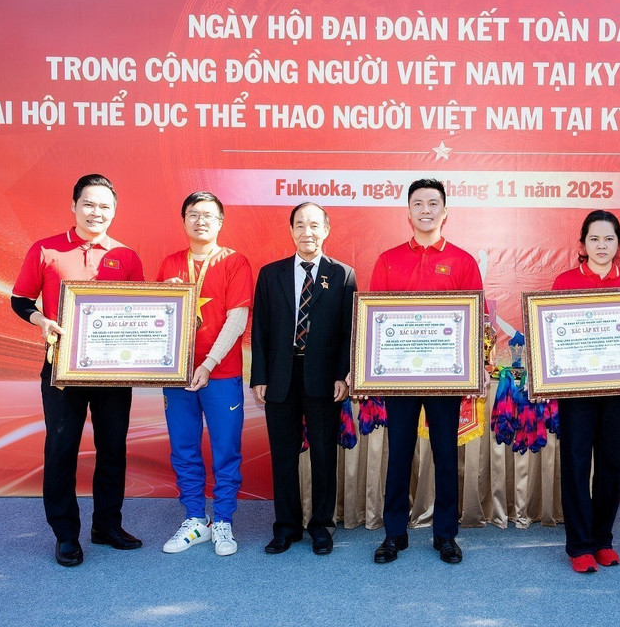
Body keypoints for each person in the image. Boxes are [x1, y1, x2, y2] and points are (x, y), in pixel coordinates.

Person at [11, 174, 145, 566]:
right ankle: (66, 535)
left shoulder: (127, 255)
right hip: (62, 369)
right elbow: (20, 299)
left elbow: (139, 309)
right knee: (61, 449)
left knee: (113, 448)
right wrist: (42, 321)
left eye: (105, 206)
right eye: (89, 203)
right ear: (74, 206)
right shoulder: (45, 250)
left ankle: (107, 525)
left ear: (114, 211)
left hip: (114, 372)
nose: (96, 212)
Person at [369, 178, 482, 565]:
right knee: (399, 454)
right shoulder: (388, 260)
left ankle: (446, 535)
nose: (426, 210)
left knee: (446, 455)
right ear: (409, 212)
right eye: (418, 203)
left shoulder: (463, 262)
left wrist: (476, 368)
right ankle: (393, 534)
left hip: (446, 377)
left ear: (445, 212)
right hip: (398, 377)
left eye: (433, 203)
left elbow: (476, 321)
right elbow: (373, 320)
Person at [251, 202, 357, 556]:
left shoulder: (342, 274)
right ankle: (286, 527)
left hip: (324, 379)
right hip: (280, 376)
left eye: (314, 225)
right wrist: (260, 376)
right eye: (299, 225)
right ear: (291, 230)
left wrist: (343, 374)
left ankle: (322, 526)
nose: (306, 232)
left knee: (324, 455)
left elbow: (348, 331)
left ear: (326, 229)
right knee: (283, 455)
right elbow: (260, 328)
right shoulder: (271, 274)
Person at [157, 191, 253, 557]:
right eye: (193, 214)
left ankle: (224, 520)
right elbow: (158, 319)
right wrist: (162, 298)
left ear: (220, 222)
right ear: (183, 219)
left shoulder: (234, 262)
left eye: (208, 215)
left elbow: (237, 320)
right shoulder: (170, 263)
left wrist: (208, 364)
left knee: (226, 449)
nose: (201, 221)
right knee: (184, 448)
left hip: (221, 374)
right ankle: (195, 518)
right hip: (177, 376)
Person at [551, 210, 620, 574]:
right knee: (576, 463)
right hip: (576, 392)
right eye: (594, 239)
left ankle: (603, 539)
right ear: (582, 244)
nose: (601, 246)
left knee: (612, 465)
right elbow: (552, 336)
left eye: (609, 239)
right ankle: (579, 545)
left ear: (619, 244)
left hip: (618, 390)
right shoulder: (565, 282)